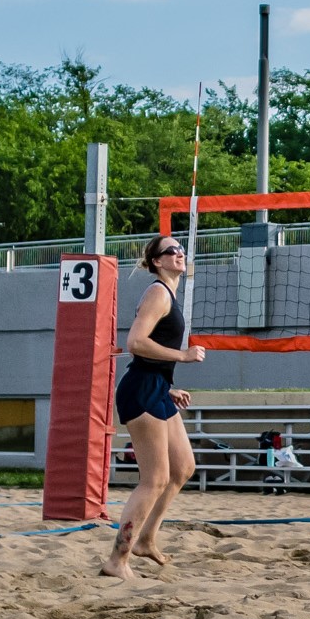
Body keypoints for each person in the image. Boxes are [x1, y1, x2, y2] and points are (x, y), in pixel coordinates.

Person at [101, 234, 203, 578]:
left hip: (157, 387)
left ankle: (146, 540)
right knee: (155, 478)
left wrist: (169, 386)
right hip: (141, 389)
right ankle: (117, 560)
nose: (180, 253)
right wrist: (183, 356)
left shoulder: (170, 294)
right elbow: (135, 342)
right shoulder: (158, 292)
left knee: (183, 467)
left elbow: (151, 350)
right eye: (172, 250)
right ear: (157, 261)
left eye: (182, 249)